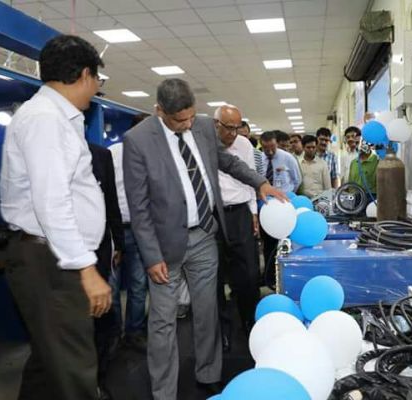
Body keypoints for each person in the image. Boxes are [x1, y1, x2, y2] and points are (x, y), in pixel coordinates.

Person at [122, 78, 285, 400]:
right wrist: (152, 256)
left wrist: (260, 183)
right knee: (163, 321)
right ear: (159, 111)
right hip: (165, 245)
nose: (186, 125)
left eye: (190, 117)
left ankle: (209, 372)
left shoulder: (204, 127)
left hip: (204, 236)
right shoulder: (138, 140)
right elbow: (137, 205)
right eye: (178, 120)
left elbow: (228, 162)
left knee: (208, 310)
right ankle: (163, 391)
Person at [0, 34, 110, 400]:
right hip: (50, 262)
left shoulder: (57, 117)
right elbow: (52, 200)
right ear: (83, 74)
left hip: (51, 257)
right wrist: (86, 269)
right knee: (75, 369)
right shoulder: (45, 119)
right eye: (97, 80)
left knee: (50, 366)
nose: (96, 90)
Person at [213, 105, 261, 352]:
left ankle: (251, 323)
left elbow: (251, 177)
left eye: (237, 127)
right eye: (228, 127)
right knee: (216, 278)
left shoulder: (244, 145)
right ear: (216, 124)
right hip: (214, 216)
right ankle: (223, 329)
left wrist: (254, 212)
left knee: (250, 275)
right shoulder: (205, 144)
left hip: (241, 214)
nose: (233, 133)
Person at [108, 113, 152, 352]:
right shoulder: (112, 154)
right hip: (115, 229)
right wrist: (113, 237)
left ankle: (134, 332)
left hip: (141, 229)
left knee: (138, 284)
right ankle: (113, 333)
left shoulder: (152, 158)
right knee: (112, 287)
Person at [88, 143, 124, 400]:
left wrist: (119, 243)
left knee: (104, 321)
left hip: (99, 250)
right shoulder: (50, 150)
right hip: (60, 257)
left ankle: (98, 379)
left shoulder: (101, 155)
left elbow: (111, 202)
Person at [259, 130, 301, 288]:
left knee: (284, 244)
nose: (269, 152)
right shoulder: (259, 159)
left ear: (276, 143)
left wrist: (287, 196)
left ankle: (286, 278)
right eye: (265, 148)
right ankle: (269, 278)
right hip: (266, 208)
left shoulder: (287, 158)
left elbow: (297, 181)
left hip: (284, 208)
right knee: (268, 245)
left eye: (272, 148)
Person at [347, 140, 379, 204]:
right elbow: (350, 184)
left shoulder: (377, 161)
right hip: (355, 199)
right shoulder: (354, 162)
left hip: (371, 199)